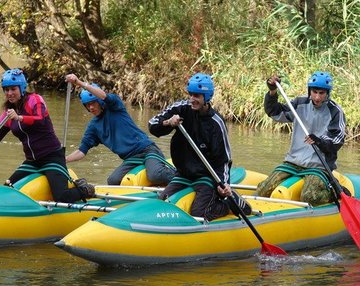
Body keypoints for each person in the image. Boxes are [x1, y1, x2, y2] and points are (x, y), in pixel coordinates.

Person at [0, 68, 94, 203]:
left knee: (61, 197)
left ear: (22, 88)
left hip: (52, 157)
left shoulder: (35, 100)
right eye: (6, 90)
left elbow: (40, 120)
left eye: (13, 89)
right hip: (32, 162)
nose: (9, 93)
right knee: (7, 188)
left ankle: (85, 189)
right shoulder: (7, 113)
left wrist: (19, 118)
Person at [148, 72, 252, 221]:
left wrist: (224, 184)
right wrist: (168, 123)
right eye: (190, 94)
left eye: (197, 96)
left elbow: (223, 159)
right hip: (183, 174)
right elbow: (152, 125)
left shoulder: (216, 123)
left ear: (206, 97)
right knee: (160, 203)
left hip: (206, 176)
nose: (192, 99)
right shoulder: (181, 108)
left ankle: (228, 205)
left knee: (198, 212)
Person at [64, 74, 175, 186]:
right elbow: (81, 151)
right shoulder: (93, 127)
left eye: (93, 103)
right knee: (112, 181)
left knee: (155, 175)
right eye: (88, 105)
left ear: (99, 101)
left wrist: (79, 83)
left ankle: (180, 178)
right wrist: (65, 159)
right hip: (131, 159)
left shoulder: (115, 106)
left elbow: (104, 96)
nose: (91, 107)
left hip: (147, 150)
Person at [257, 71, 346, 205]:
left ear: (327, 93)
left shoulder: (335, 111)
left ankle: (334, 190)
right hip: (293, 162)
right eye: (314, 92)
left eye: (321, 93)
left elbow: (337, 141)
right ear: (309, 90)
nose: (317, 97)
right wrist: (273, 92)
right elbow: (274, 112)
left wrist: (319, 141)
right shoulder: (300, 103)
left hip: (319, 166)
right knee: (263, 190)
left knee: (310, 197)